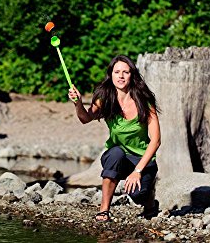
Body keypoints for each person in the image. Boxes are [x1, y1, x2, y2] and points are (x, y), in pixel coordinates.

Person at [68, 55, 161, 222]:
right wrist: (78, 103)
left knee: (138, 196)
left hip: (142, 160)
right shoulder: (105, 98)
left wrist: (137, 171)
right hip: (118, 157)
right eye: (117, 72)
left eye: (126, 72)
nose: (121, 76)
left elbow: (155, 141)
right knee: (115, 153)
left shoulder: (144, 102)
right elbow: (85, 118)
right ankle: (104, 210)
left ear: (132, 75)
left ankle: (149, 198)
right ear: (111, 75)